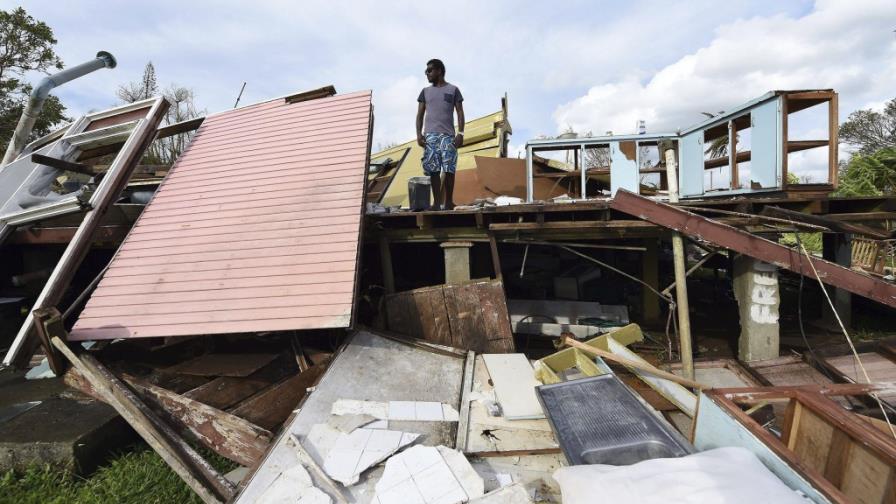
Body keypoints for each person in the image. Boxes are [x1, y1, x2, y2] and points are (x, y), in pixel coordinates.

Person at [416, 58, 465, 210]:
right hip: (430, 136)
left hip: (448, 136)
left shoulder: (453, 90)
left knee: (449, 169)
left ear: (439, 71)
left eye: (429, 70)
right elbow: (419, 115)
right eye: (426, 71)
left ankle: (449, 202)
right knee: (433, 170)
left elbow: (460, 112)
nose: (427, 73)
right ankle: (437, 203)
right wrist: (419, 135)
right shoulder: (425, 92)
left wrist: (461, 133)